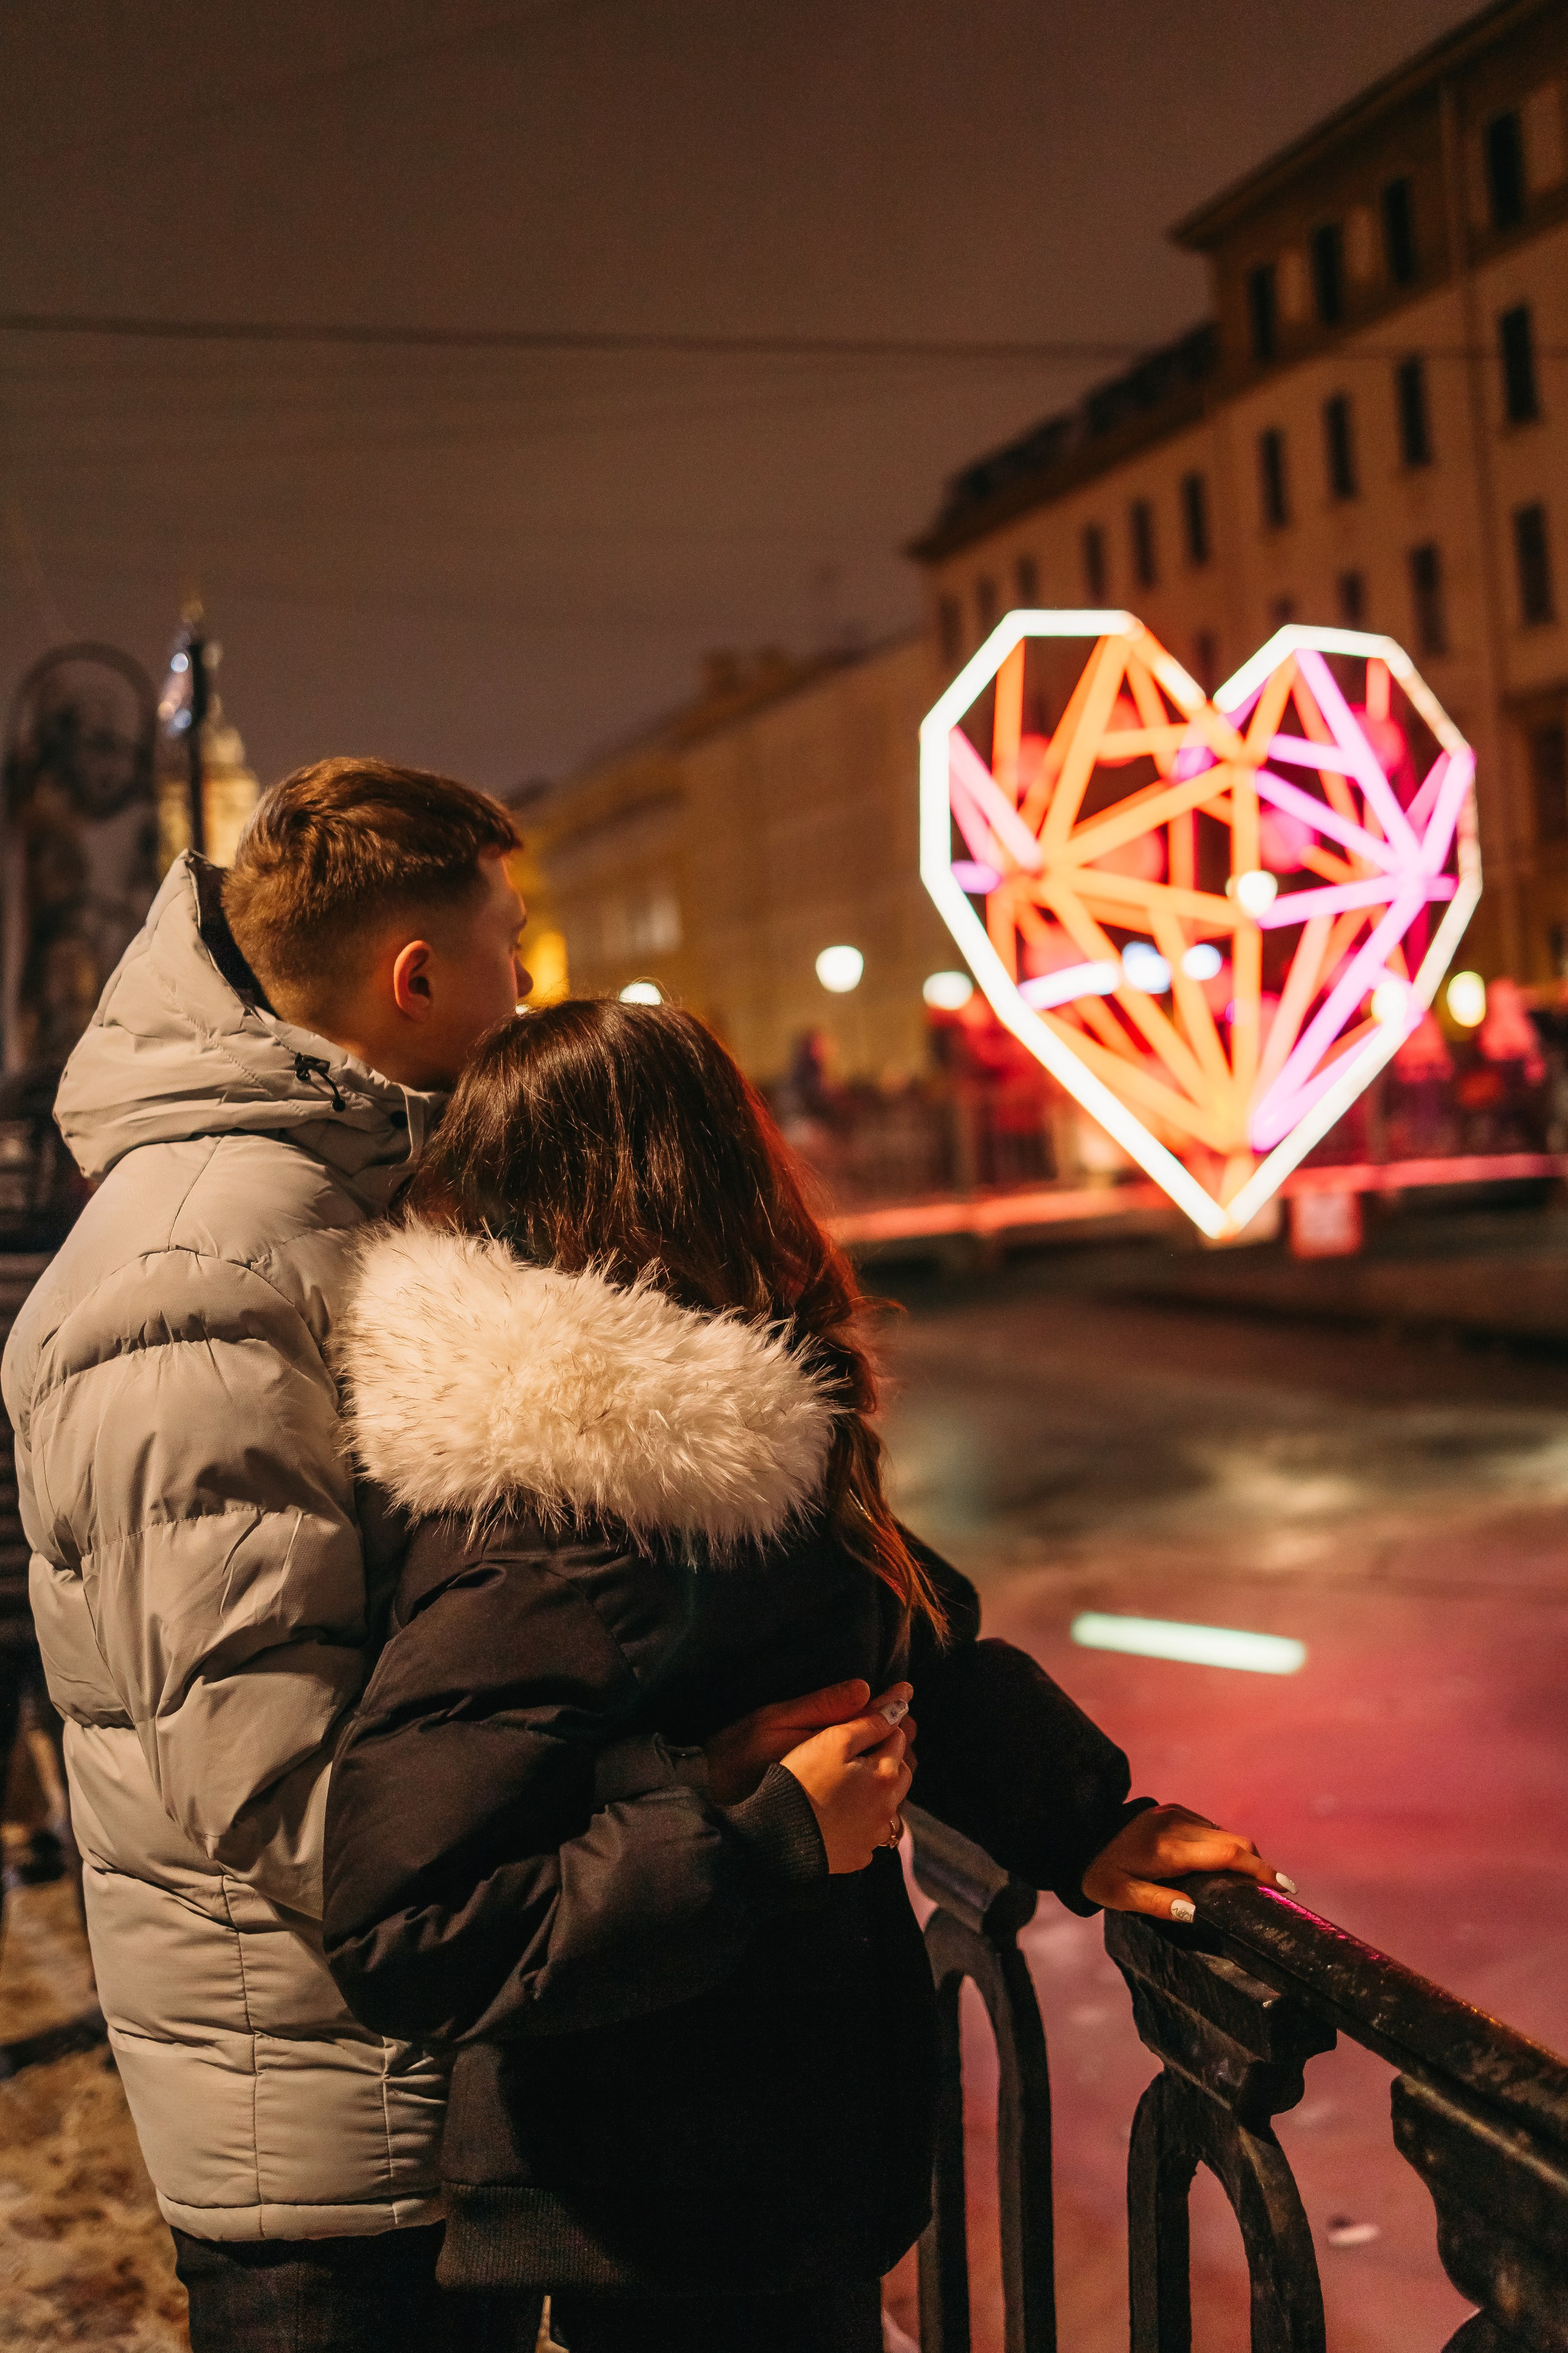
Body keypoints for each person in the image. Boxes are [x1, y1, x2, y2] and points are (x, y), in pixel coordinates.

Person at [322, 998, 1287, 2353]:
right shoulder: (563, 1515)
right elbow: (405, 1922)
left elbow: (906, 1647)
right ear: (704, 1170)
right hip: (671, 2217)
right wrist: (754, 1831)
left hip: (755, 2179)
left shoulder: (730, 1446)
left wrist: (1085, 1820)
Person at [1, 758, 530, 2351]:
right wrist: (581, 1898)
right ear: (418, 978)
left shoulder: (300, 1215)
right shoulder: (203, 1266)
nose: (530, 980)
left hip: (367, 2086)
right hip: (325, 2139)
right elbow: (259, 1762)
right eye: (514, 942)